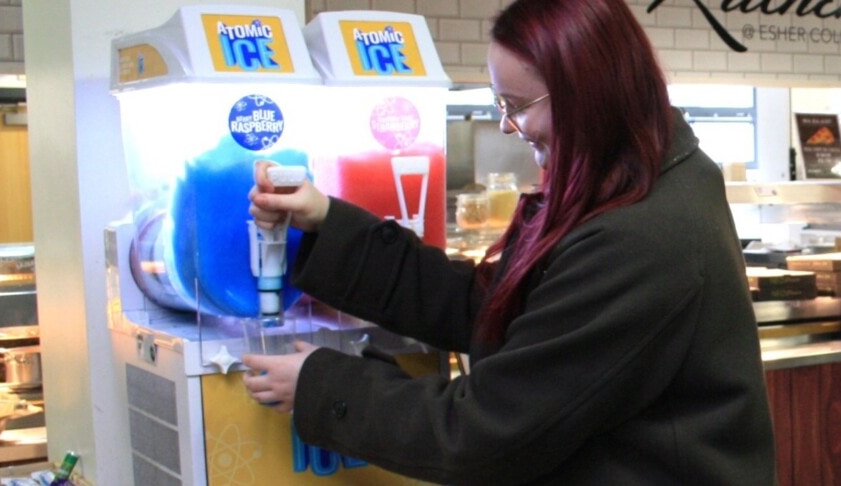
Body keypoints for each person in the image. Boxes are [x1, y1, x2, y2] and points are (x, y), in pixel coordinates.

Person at [242, 0, 777, 483]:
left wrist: (322, 386)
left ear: (587, 92)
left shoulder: (642, 236)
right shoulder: (631, 178)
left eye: (516, 104)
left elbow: (487, 434)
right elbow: (492, 305)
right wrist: (327, 221)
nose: (506, 126)